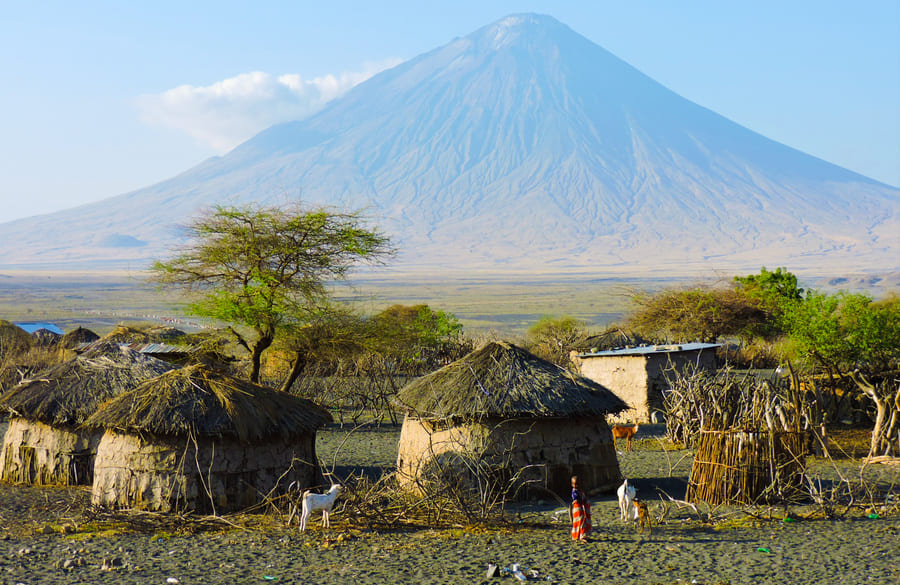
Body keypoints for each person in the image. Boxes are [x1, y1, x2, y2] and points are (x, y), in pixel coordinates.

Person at [570, 475, 591, 542]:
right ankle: (580, 536)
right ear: (572, 484)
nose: (576, 486)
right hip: (577, 509)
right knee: (580, 521)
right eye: (574, 484)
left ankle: (583, 534)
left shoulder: (580, 491)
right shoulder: (574, 492)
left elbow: (583, 498)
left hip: (582, 508)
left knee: (583, 521)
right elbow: (576, 500)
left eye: (577, 484)